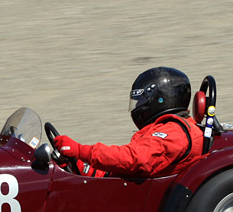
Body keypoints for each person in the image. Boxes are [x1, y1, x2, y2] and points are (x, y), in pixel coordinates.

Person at [53, 67, 206, 178]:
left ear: (160, 99)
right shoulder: (172, 128)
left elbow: (134, 159)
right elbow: (124, 171)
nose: (137, 106)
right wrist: (80, 164)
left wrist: (80, 150)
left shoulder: (174, 132)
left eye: (141, 100)